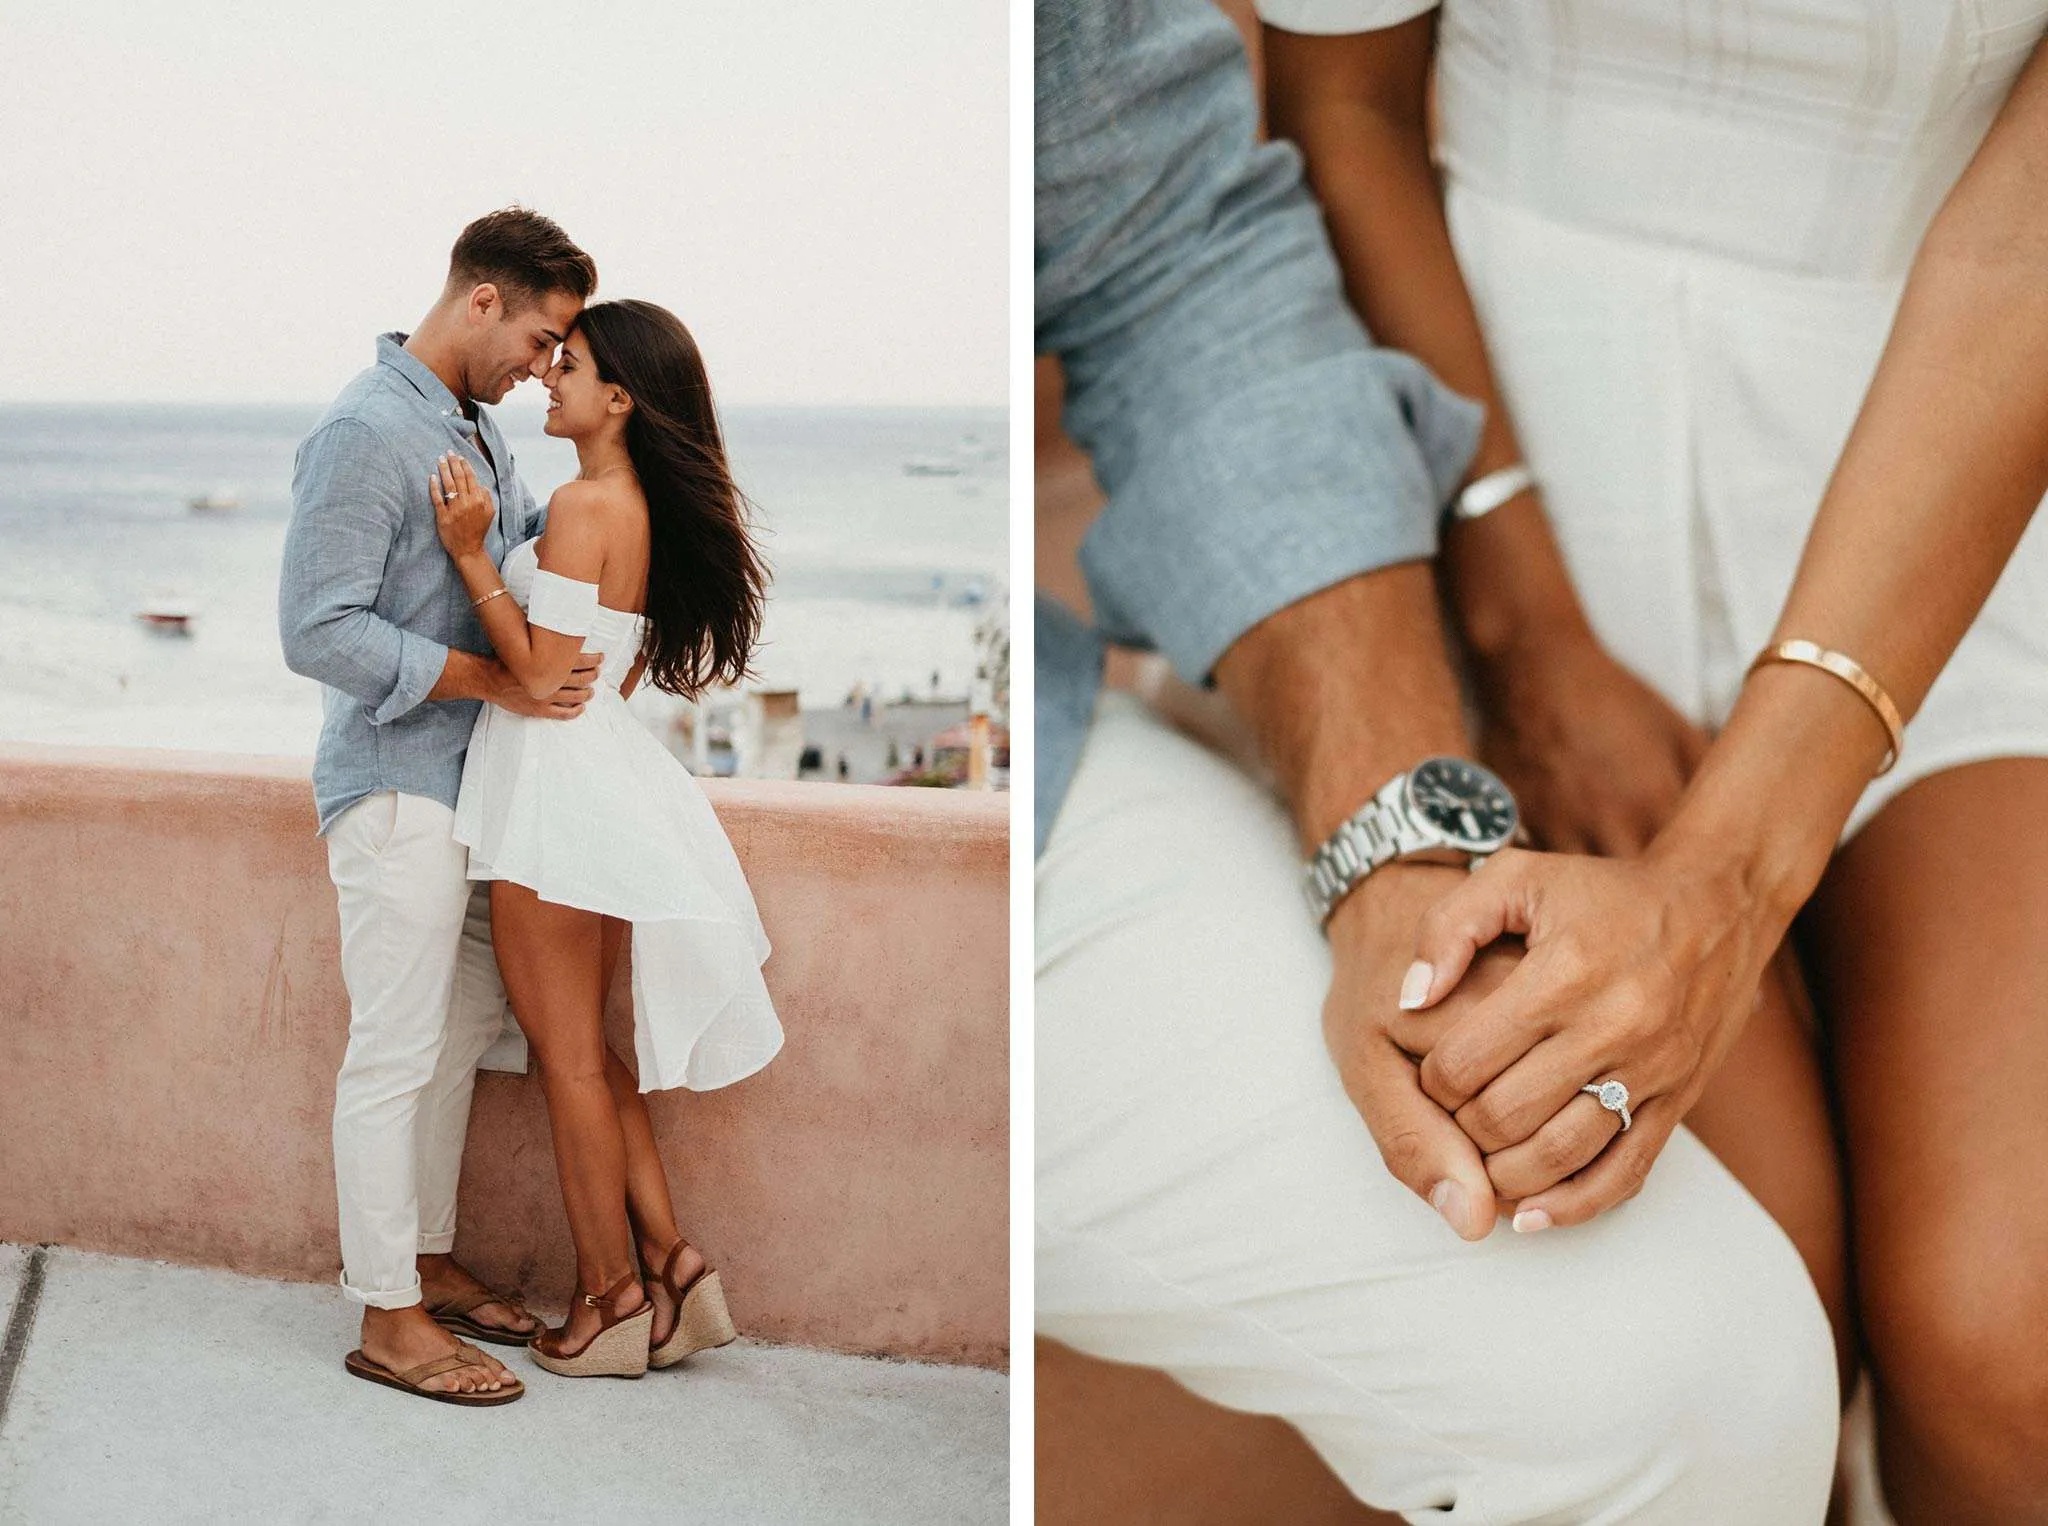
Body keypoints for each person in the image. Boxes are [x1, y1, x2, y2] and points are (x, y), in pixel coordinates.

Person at [1034, 2, 1838, 1519]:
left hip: (1052, 764)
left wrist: (1395, 848)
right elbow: (1340, 111)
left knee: (1708, 1375)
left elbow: (1167, 265)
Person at [1257, 10, 2048, 1520]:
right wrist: (1524, 623)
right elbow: (1339, 101)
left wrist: (1734, 872)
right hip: (1487, 433)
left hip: (1966, 460)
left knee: (2007, 1332)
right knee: (1741, 1319)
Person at [280, 207, 599, 1404]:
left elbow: (511, 556)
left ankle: (424, 1253)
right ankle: (386, 1315)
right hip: (394, 788)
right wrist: (491, 676)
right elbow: (316, 629)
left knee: (459, 1043)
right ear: (482, 302)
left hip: (474, 791)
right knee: (395, 1052)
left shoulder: (469, 425)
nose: (543, 366)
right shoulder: (366, 431)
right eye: (541, 337)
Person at [431, 298, 782, 1379]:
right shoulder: (638, 510)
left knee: (568, 1060)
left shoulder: (585, 505)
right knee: (596, 1050)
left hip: (553, 795)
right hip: (603, 778)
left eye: (568, 366)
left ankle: (607, 1299)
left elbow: (540, 674)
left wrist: (470, 552)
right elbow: (609, 668)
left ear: (619, 399)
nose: (548, 377)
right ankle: (673, 1264)